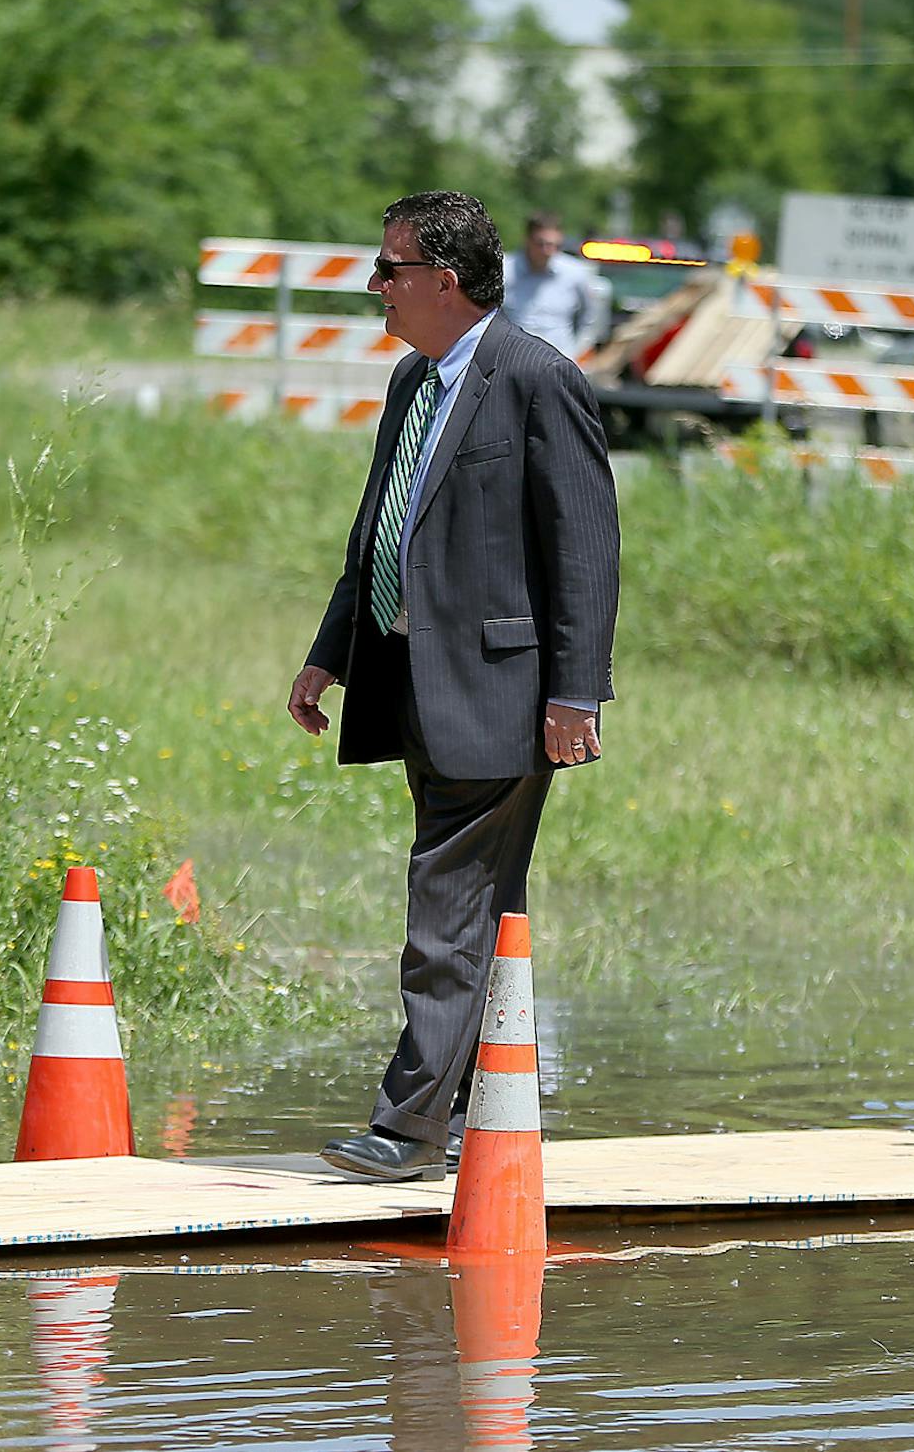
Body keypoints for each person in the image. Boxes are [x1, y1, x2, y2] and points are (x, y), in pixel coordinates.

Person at [290, 191, 619, 1182]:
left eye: (390, 268)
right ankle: (477, 1105)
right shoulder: (411, 383)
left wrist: (576, 695)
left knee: (444, 899)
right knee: (478, 900)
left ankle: (407, 1128)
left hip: (502, 693)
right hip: (413, 681)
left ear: (443, 280)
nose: (374, 285)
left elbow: (586, 549)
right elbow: (377, 533)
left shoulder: (535, 379)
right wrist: (330, 653)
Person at [499, 211, 609, 360]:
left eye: (554, 245)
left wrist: (576, 353)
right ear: (527, 240)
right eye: (541, 244)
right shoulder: (504, 270)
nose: (547, 251)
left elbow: (590, 317)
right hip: (511, 358)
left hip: (558, 360)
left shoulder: (575, 273)